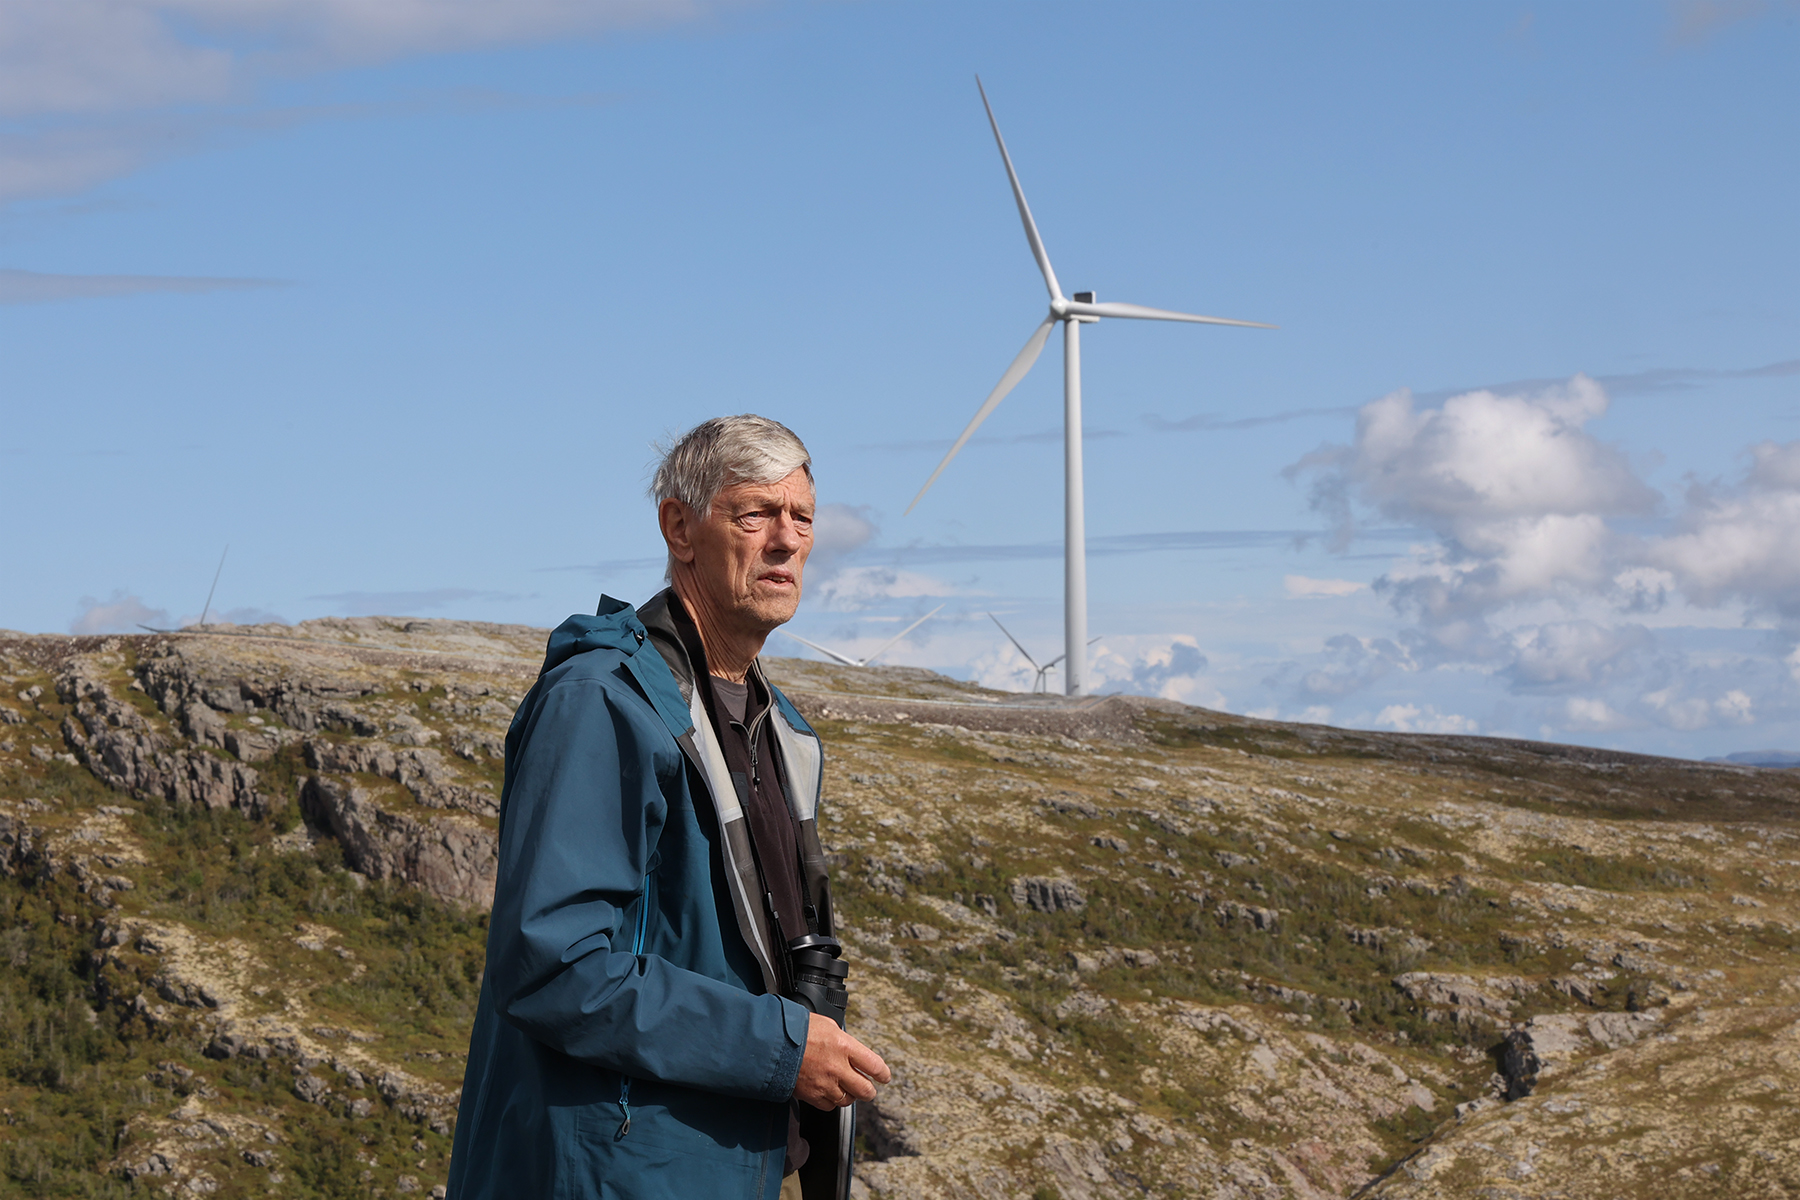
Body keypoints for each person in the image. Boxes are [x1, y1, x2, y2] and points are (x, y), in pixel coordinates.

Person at [447, 415, 890, 1200]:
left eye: (804, 518)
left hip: (716, 1168)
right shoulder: (602, 702)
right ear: (679, 528)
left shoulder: (777, 729)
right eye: (755, 514)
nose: (786, 541)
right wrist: (784, 1049)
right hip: (606, 1174)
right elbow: (555, 968)